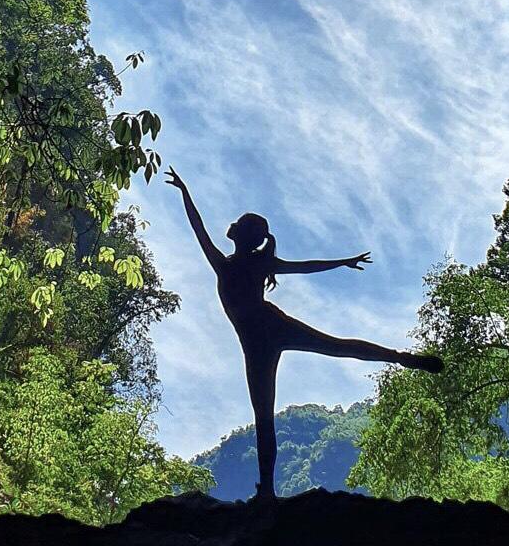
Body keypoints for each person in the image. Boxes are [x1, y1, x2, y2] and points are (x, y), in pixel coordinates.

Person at [165, 167, 443, 500]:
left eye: (241, 224)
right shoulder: (246, 264)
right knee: (331, 352)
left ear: (242, 235)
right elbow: (304, 265)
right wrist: (184, 191)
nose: (234, 226)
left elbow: (203, 231)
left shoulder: (231, 264)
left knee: (269, 410)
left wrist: (342, 262)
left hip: (260, 336)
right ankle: (399, 358)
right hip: (265, 333)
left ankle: (266, 490)